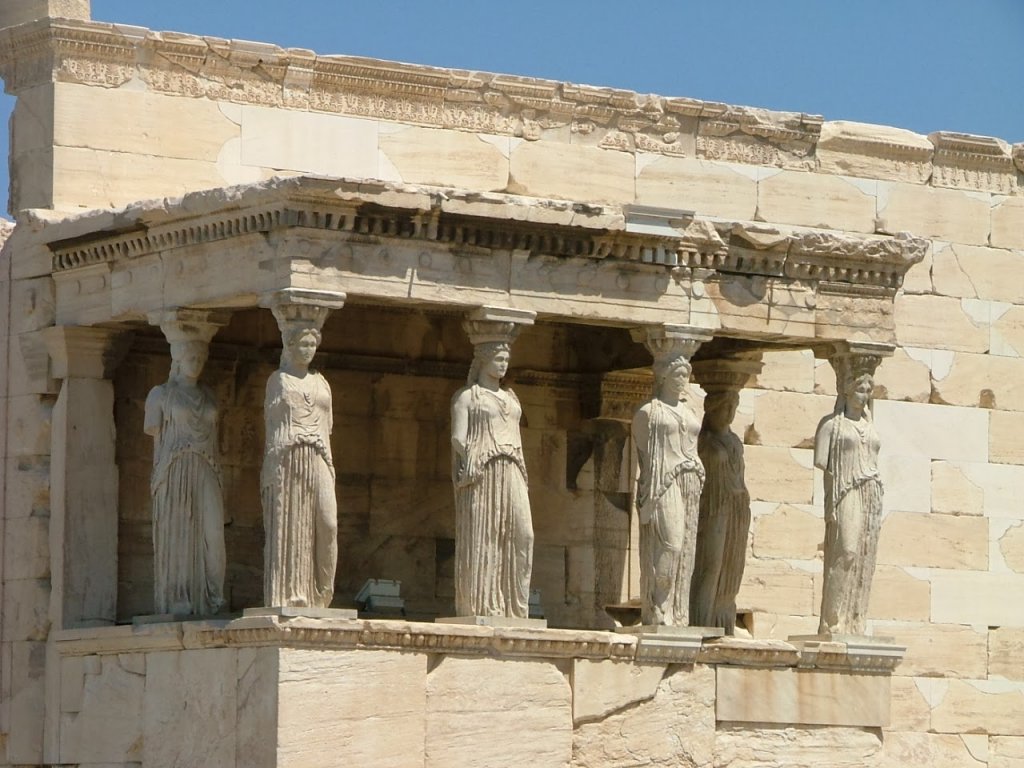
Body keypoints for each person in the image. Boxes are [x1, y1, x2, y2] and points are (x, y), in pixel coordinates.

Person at [450, 341, 534, 617]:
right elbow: (458, 438)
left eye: (506, 358)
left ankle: (514, 606)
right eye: (498, 358)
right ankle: (483, 604)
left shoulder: (512, 398)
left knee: (523, 534)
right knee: (485, 534)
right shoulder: (467, 397)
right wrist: (471, 455)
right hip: (483, 469)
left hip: (512, 468)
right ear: (484, 360)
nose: (503, 364)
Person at [145, 339, 226, 616]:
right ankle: (179, 601)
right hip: (174, 468)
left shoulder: (210, 396)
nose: (196, 361)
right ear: (177, 358)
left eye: (200, 357)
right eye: (190, 355)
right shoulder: (160, 395)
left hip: (207, 467)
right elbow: (155, 436)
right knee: (179, 532)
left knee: (213, 535)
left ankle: (213, 598)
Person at [261, 323, 338, 608]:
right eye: (302, 344)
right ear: (289, 346)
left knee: (328, 522)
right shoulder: (278, 381)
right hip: (289, 455)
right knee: (290, 521)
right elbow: (273, 425)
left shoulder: (322, 382)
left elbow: (327, 426)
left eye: (312, 345)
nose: (308, 350)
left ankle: (323, 592)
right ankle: (292, 592)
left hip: (318, 455)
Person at [632, 355, 704, 626]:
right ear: (663, 377)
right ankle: (657, 607)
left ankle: (676, 611)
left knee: (686, 550)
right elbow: (643, 454)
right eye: (677, 375)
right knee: (671, 544)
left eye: (686, 375)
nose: (683, 381)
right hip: (663, 483)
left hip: (691, 481)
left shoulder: (690, 413)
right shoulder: (648, 413)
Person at [814, 363, 882, 636]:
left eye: (867, 390)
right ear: (846, 389)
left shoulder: (870, 426)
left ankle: (852, 620)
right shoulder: (831, 426)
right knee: (846, 550)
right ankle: (831, 618)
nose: (863, 394)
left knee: (864, 555)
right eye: (858, 389)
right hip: (846, 490)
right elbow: (823, 464)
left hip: (871, 491)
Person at [690, 389, 750, 633]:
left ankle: (722, 621)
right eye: (724, 408)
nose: (729, 414)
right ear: (711, 410)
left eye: (733, 408)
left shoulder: (735, 441)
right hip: (712, 505)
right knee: (710, 563)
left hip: (736, 506)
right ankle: (700, 620)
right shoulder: (702, 441)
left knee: (731, 565)